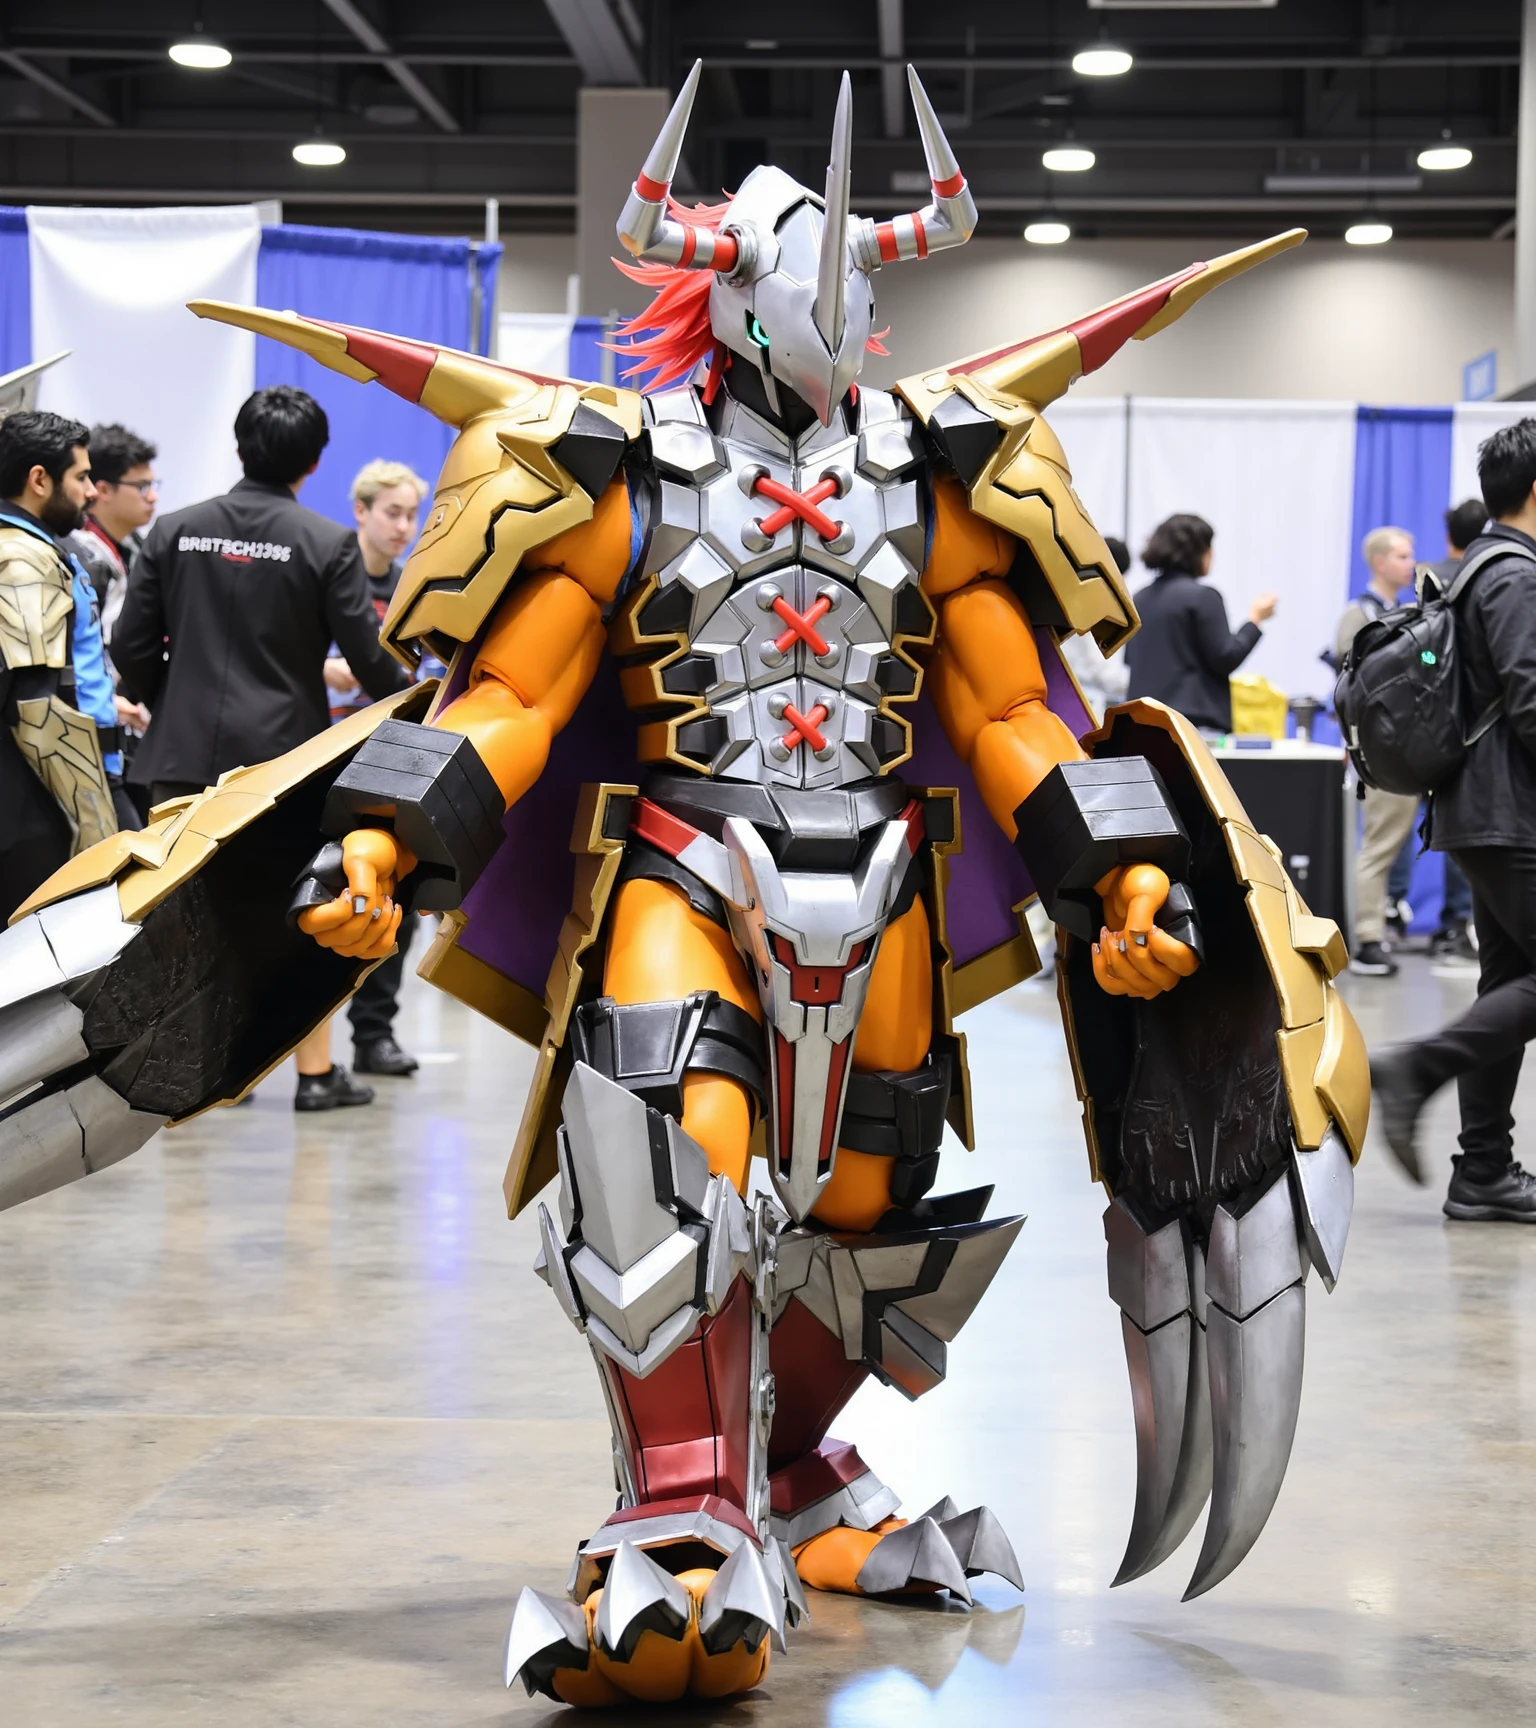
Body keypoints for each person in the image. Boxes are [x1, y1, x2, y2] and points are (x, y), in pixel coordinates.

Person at [113, 385, 405, 1112]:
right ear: (312, 463)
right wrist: (414, 693)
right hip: (284, 767)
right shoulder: (325, 541)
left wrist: (164, 700)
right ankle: (312, 1075)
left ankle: (193, 1072)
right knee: (303, 911)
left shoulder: (174, 530)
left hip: (177, 757)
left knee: (177, 917)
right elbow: (368, 662)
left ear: (241, 445)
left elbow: (131, 647)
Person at [1371, 419, 1536, 1222]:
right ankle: (1415, 1068)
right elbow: (1534, 701)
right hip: (1509, 814)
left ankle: (1483, 1172)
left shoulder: (1477, 568)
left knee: (1510, 980)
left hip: (1486, 812)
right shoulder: (1514, 575)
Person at [327, 459, 430, 1078]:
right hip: (319, 753)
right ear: (361, 511)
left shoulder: (413, 590)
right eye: (393, 512)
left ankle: (374, 1034)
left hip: (391, 759)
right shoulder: (326, 577)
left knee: (396, 894)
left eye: (412, 515)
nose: (404, 526)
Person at [0, 411, 118, 917]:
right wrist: (94, 825)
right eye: (81, 476)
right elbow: (36, 706)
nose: (92, 491)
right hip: (30, 801)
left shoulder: (30, 549)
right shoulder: (22, 561)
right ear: (39, 480)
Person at [1383, 500, 1486, 962]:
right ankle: (1456, 925)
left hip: (1429, 721)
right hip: (1478, 726)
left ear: (1448, 536)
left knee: (1410, 820)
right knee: (1466, 830)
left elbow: (1422, 650)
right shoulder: (1495, 573)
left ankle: (1394, 909)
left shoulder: (1429, 579)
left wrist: (1432, 671)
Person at [1335, 526, 1420, 976]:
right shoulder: (1360, 614)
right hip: (1382, 747)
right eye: (1403, 556)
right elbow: (1351, 685)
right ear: (1380, 562)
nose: (1410, 564)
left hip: (1413, 744)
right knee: (1380, 844)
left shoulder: (1405, 610)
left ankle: (1385, 922)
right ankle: (1368, 937)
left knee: (1399, 840)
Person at [66, 422, 158, 819]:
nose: (152, 497)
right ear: (101, 490)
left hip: (126, 732)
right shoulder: (80, 557)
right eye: (140, 487)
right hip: (91, 736)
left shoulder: (136, 550)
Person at [1124, 512, 1276, 731]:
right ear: (1199, 552)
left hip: (1143, 724)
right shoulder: (1202, 597)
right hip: (1193, 726)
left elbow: (1130, 659)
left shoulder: (1138, 598)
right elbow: (1225, 657)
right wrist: (1255, 619)